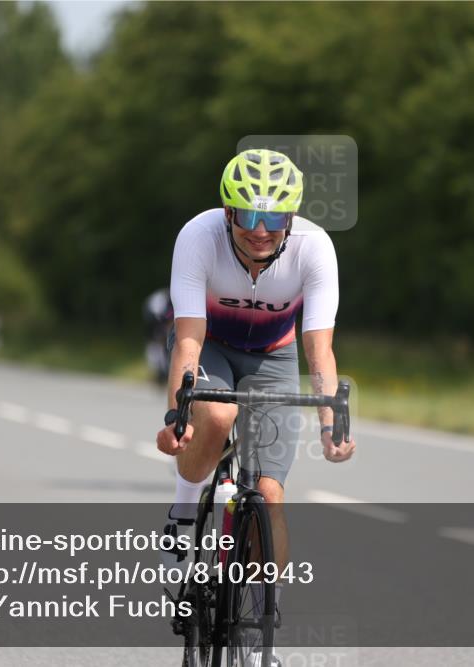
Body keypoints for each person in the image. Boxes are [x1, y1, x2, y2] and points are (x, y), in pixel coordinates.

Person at [155, 148, 357, 665]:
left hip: (274, 355)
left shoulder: (315, 248)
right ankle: (183, 508)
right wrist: (177, 415)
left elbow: (319, 347)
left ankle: (264, 616)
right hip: (212, 347)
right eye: (249, 216)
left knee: (268, 494)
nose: (260, 230)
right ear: (228, 213)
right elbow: (188, 340)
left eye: (273, 217)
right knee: (218, 415)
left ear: (291, 217)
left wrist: (330, 422)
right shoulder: (197, 237)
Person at [142, 287, 174, 384]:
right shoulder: (161, 302)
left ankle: (165, 370)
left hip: (163, 317)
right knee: (158, 342)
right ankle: (160, 370)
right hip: (156, 318)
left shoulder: (171, 300)